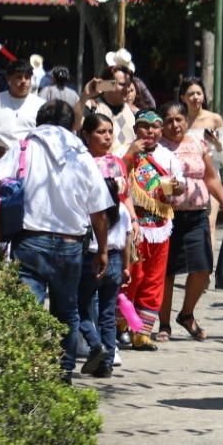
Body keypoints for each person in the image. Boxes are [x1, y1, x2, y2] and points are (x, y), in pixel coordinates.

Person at [0, 100, 112, 376]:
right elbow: (99, 212)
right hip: (70, 245)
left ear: (39, 122)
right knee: (67, 312)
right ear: (73, 126)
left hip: (30, 241)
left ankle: (24, 371)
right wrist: (102, 250)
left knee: (26, 309)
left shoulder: (24, 148)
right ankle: (63, 373)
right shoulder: (82, 155)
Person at [158, 102, 223, 341]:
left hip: (196, 216)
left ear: (185, 121)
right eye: (169, 120)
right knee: (166, 273)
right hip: (166, 217)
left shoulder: (197, 144)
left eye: (179, 119)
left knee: (203, 269)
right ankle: (163, 324)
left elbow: (211, 178)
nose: (174, 125)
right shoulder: (157, 147)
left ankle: (186, 314)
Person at [121, 111, 186, 338]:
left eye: (156, 126)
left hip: (160, 226)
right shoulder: (125, 153)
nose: (151, 131)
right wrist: (130, 155)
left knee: (154, 278)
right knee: (132, 276)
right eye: (145, 126)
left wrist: (177, 187)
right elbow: (118, 181)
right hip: (133, 225)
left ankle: (142, 332)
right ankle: (122, 325)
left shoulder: (168, 156)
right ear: (136, 128)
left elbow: (180, 188)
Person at [79, 111, 133, 373]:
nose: (108, 136)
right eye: (101, 132)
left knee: (98, 308)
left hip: (104, 248)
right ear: (86, 135)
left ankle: (101, 352)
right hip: (98, 247)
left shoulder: (117, 163)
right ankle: (104, 358)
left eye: (110, 131)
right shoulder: (82, 162)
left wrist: (132, 221)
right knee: (99, 307)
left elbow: (126, 198)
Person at [0, 58, 41, 159]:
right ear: (9, 79)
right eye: (19, 77)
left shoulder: (40, 105)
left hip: (31, 167)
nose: (24, 81)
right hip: (1, 166)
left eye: (27, 77)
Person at [83, 65, 137, 153]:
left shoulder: (134, 113)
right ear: (108, 85)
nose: (127, 89)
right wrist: (84, 96)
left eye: (128, 85)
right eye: (122, 84)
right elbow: (76, 126)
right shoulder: (90, 107)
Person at [180, 78, 223, 165]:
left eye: (199, 93)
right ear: (183, 98)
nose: (195, 97)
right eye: (191, 94)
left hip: (211, 174)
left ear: (203, 96)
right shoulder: (179, 122)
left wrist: (217, 144)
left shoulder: (215, 119)